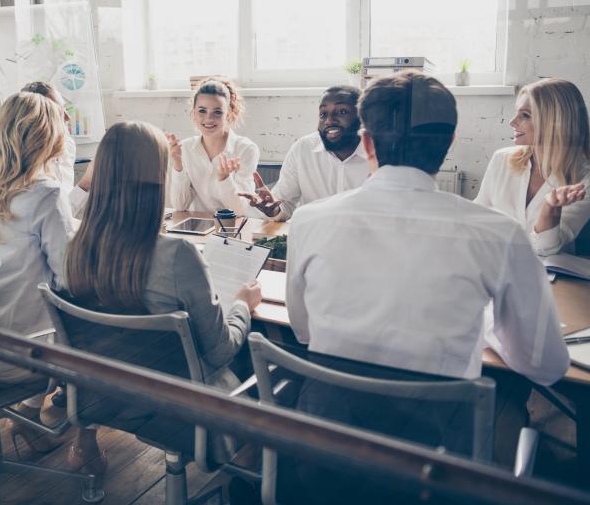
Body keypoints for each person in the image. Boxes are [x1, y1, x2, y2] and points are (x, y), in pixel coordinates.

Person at [285, 71, 568, 476]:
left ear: (366, 143)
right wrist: (484, 324)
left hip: (321, 463)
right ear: (449, 144)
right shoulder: (498, 234)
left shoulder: (308, 220)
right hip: (439, 470)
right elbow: (546, 365)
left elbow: (304, 331)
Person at [63, 120, 262, 471]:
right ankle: (246, 474)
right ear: (157, 177)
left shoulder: (73, 248)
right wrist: (241, 306)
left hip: (103, 398)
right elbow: (220, 351)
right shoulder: (177, 256)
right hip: (181, 411)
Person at [0, 91, 95, 457]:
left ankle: (29, 414)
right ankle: (86, 441)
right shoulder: (45, 193)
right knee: (99, 332)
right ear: (46, 138)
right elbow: (69, 278)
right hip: (21, 356)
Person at [475, 78, 590, 256]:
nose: (512, 122)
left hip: (552, 279)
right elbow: (478, 218)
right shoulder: (501, 159)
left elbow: (546, 249)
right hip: (495, 265)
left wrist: (549, 210)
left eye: (525, 115)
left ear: (555, 122)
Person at [240, 86, 369, 220]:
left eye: (342, 111)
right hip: (314, 236)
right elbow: (284, 203)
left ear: (363, 116)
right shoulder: (303, 149)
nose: (329, 120)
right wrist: (274, 210)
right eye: (323, 114)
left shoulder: (382, 154)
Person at [168, 77, 259, 214]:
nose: (209, 119)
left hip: (233, 229)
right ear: (193, 112)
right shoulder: (185, 148)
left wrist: (225, 179)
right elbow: (180, 206)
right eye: (202, 111)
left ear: (228, 113)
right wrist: (178, 165)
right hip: (199, 228)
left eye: (217, 112)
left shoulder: (246, 149)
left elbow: (239, 210)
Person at [20, 81, 92, 217]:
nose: (67, 117)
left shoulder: (67, 143)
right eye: (57, 111)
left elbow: (65, 204)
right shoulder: (25, 163)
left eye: (64, 108)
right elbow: (54, 215)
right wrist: (84, 185)